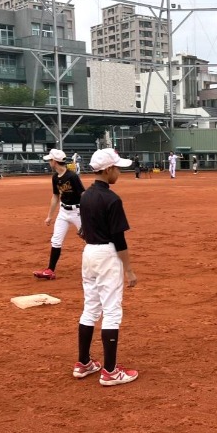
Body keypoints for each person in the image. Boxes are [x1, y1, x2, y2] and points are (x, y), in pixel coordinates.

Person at [73, 148, 138, 386]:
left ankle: (84, 363)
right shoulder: (112, 198)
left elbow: (83, 230)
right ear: (108, 169)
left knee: (90, 307)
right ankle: (110, 371)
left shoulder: (86, 195)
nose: (119, 172)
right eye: (118, 168)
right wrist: (128, 269)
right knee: (111, 311)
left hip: (89, 253)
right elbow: (119, 239)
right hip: (107, 254)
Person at [33, 148, 85, 280]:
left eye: (50, 160)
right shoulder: (55, 177)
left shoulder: (72, 176)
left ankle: (102, 266)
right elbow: (55, 196)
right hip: (63, 212)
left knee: (90, 239)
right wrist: (50, 216)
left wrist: (86, 216)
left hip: (77, 211)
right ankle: (50, 270)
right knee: (56, 240)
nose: (49, 162)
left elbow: (83, 195)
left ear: (55, 162)